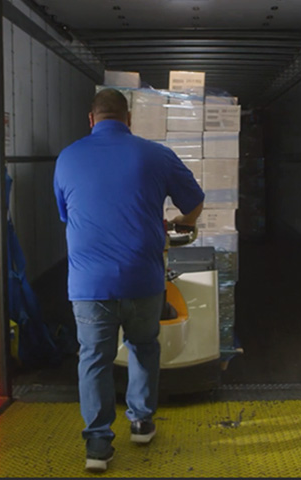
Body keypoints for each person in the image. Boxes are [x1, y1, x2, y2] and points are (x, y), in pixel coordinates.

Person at [53, 88, 204, 473]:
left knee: (94, 359)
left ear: (91, 120)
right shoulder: (156, 154)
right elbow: (194, 202)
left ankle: (99, 445)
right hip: (142, 276)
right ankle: (141, 421)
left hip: (89, 284)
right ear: (129, 119)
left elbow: (67, 214)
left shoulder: (67, 157)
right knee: (143, 345)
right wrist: (182, 225)